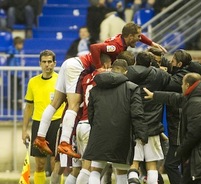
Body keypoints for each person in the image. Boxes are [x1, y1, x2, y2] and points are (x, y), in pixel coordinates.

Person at [33, 22, 166, 159]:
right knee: (73, 104)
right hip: (79, 66)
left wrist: (151, 43)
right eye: (138, 37)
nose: (140, 39)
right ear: (130, 36)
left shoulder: (122, 38)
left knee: (55, 102)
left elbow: (134, 35)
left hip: (70, 63)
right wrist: (98, 68)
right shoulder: (116, 46)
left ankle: (40, 137)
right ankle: (65, 142)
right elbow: (94, 47)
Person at [83, 59, 147, 184]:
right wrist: (141, 135)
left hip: (99, 134)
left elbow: (91, 114)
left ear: (112, 69)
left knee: (95, 170)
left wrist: (97, 128)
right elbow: (137, 114)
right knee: (121, 174)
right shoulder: (132, 88)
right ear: (126, 71)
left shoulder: (96, 89)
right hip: (122, 136)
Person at [159, 49, 201, 184]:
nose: (170, 63)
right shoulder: (184, 73)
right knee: (187, 167)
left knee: (172, 164)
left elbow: (169, 83)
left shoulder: (180, 78)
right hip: (180, 127)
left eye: (172, 61)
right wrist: (162, 62)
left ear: (179, 64)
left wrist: (157, 71)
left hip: (179, 128)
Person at [67, 53, 112, 184]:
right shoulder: (102, 77)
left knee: (87, 165)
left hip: (81, 124)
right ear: (106, 65)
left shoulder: (85, 77)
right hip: (91, 125)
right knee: (89, 166)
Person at [126, 51, 171, 184]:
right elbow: (171, 80)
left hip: (134, 127)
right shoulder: (159, 76)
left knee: (134, 164)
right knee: (152, 166)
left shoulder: (128, 73)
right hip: (153, 127)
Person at [21, 50, 65, 184]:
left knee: (56, 164)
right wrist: (24, 129)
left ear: (54, 63)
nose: (47, 64)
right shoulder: (33, 82)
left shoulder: (60, 80)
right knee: (39, 164)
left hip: (56, 123)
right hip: (39, 124)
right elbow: (29, 107)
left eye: (50, 61)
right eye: (44, 62)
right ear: (40, 64)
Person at [6, 36, 25, 109]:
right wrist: (12, 53)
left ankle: (19, 102)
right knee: (13, 89)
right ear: (16, 44)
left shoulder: (21, 52)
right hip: (13, 73)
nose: (21, 46)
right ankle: (12, 103)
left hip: (20, 74)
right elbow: (9, 54)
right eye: (20, 44)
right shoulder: (12, 49)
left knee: (19, 88)